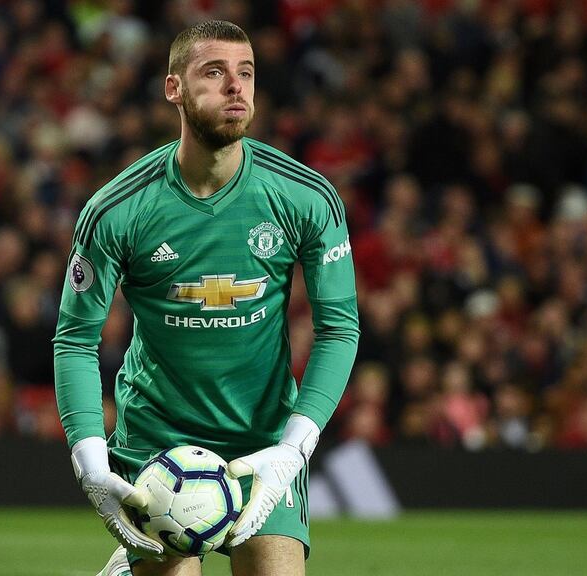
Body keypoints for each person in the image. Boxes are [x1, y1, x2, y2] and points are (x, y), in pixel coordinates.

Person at [53, 20, 359, 576]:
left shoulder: (307, 197)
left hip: (263, 434)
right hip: (158, 438)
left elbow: (340, 328)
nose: (235, 87)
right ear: (174, 88)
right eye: (214, 72)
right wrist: (90, 460)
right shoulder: (118, 210)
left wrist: (294, 448)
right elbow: (76, 339)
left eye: (245, 73)